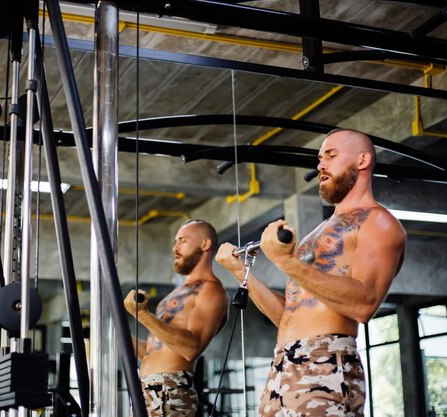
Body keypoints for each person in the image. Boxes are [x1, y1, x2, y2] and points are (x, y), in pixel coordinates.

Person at [216, 128, 406, 417]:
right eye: (319, 159)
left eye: (331, 155)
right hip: (285, 361)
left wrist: (287, 263)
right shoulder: (320, 230)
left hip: (325, 361)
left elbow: (364, 305)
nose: (320, 165)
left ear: (363, 160)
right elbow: (288, 317)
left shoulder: (378, 222)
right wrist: (240, 271)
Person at [124, 219, 230, 417]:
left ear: (205, 245)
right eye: (176, 241)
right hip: (147, 389)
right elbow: (154, 351)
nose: (175, 247)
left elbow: (190, 348)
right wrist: (119, 337)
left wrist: (143, 315)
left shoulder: (211, 291)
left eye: (183, 240)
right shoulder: (176, 293)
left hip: (170, 390)